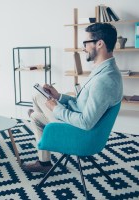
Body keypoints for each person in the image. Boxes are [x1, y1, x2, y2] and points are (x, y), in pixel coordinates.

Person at [22, 23, 123, 173]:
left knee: (36, 116)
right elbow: (83, 104)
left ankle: (45, 158)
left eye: (85, 43)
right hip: (76, 118)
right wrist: (58, 97)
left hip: (80, 134)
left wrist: (56, 109)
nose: (83, 48)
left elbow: (86, 122)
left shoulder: (104, 80)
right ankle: (45, 135)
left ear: (99, 44)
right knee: (38, 96)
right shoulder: (104, 70)